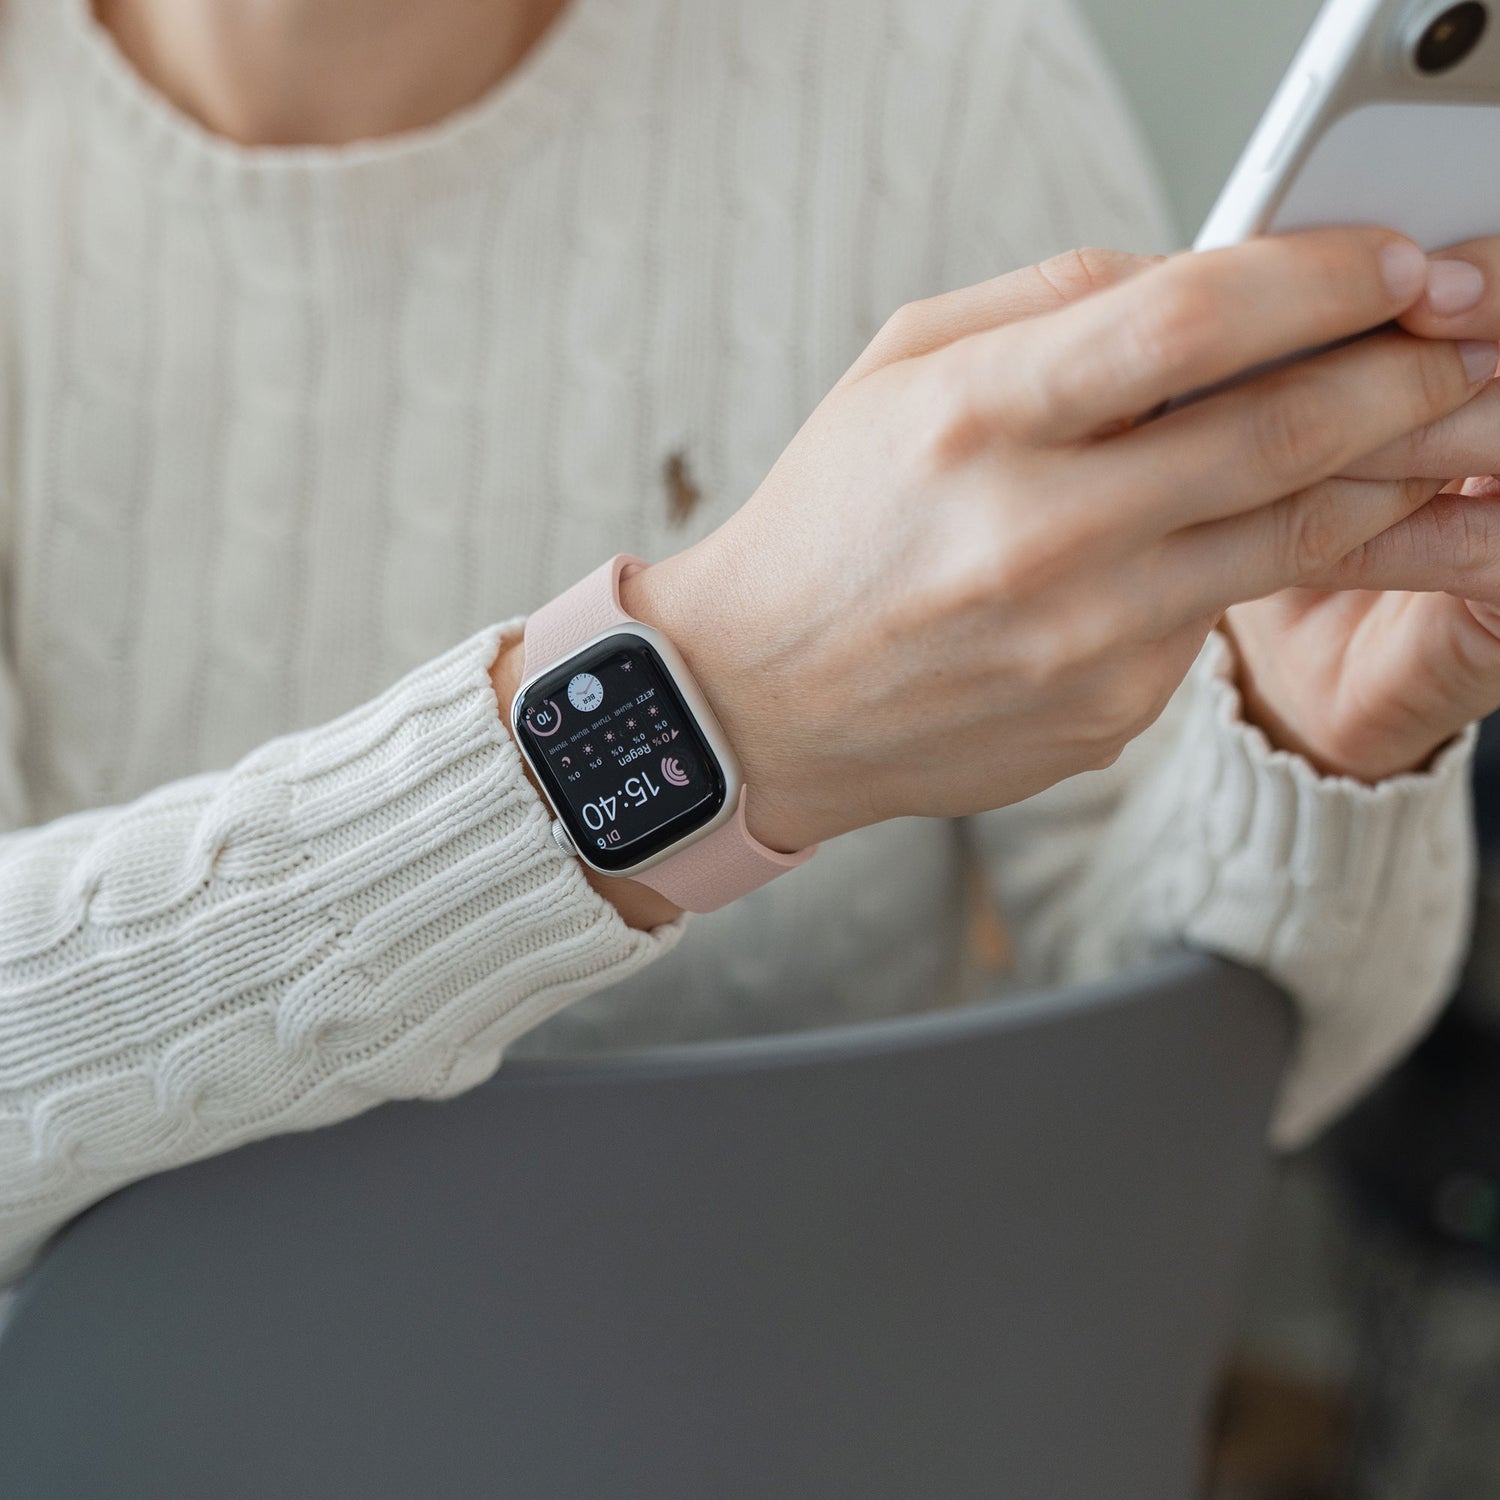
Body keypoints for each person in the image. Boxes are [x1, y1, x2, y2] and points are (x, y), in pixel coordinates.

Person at [3, 0, 1500, 1298]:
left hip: (816, 1399)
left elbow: (1180, 1068)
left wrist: (1308, 740)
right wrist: (699, 717)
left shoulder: (936, 70)